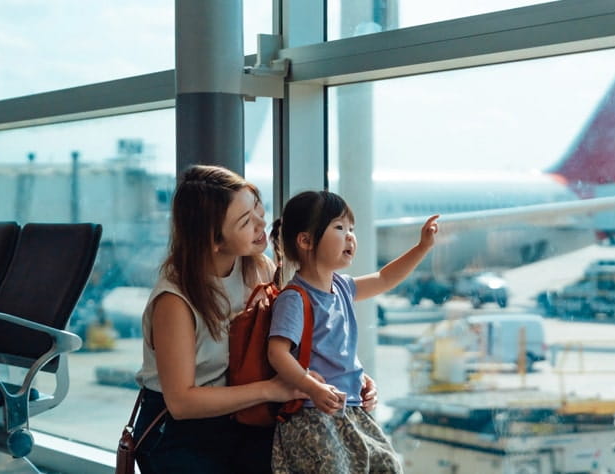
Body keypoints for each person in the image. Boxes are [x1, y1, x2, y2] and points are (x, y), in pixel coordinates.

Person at [132, 165, 379, 473]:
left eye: (258, 209)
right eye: (246, 221)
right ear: (215, 241)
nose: (262, 223)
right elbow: (182, 403)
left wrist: (348, 378)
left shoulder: (257, 268)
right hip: (182, 433)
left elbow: (294, 334)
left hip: (246, 415)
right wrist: (271, 390)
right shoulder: (175, 301)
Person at [267, 190, 439, 473]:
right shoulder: (295, 297)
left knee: (388, 465)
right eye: (339, 227)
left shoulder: (343, 288)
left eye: (351, 229)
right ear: (306, 240)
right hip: (314, 414)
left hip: (352, 411)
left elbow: (384, 278)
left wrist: (421, 248)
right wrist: (312, 387)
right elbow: (277, 353)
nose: (350, 236)